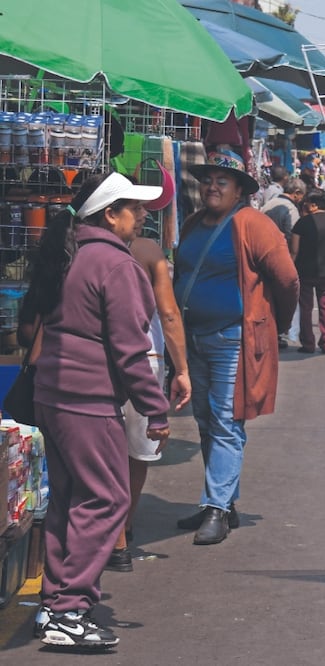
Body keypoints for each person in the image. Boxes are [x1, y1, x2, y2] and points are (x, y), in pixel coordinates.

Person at [20, 173, 174, 648]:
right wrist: (156, 409)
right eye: (135, 208)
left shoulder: (74, 254)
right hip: (87, 402)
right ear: (110, 214)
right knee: (108, 500)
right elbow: (130, 348)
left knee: (71, 501)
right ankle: (68, 610)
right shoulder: (114, 263)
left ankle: (57, 604)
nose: (143, 215)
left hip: (55, 394)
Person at [173, 149, 299, 545]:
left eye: (221, 180)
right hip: (194, 338)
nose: (212, 185)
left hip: (233, 339)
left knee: (226, 421)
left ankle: (216, 507)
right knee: (207, 421)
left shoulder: (252, 224)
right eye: (208, 179)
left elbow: (287, 278)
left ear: (239, 189)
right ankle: (223, 501)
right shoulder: (194, 222)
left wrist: (271, 321)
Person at [108, 216, 195, 573]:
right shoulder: (146, 250)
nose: (144, 213)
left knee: (106, 450)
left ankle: (114, 536)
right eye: (136, 206)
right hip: (145, 358)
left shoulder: (84, 248)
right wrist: (183, 370)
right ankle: (123, 530)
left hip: (100, 360)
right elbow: (169, 313)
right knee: (136, 453)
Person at [290, 188, 325, 354]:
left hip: (304, 272)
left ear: (313, 205)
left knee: (305, 308)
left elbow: (294, 251)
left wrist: (289, 272)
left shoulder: (301, 223)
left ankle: (308, 343)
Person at [261, 177, 307, 349]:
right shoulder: (290, 209)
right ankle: (278, 333)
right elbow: (293, 235)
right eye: (301, 196)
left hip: (262, 255)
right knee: (280, 296)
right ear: (296, 194)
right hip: (280, 257)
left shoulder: (269, 204)